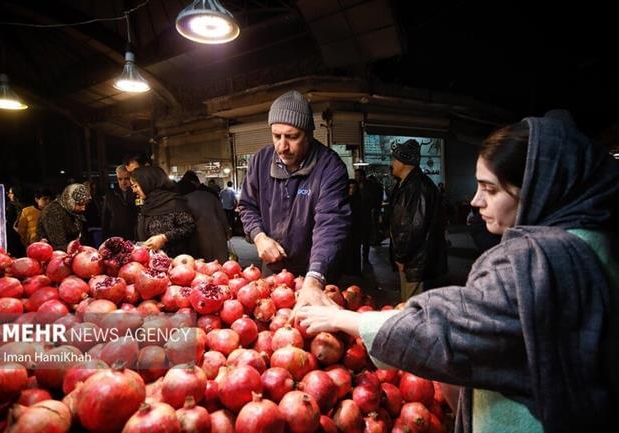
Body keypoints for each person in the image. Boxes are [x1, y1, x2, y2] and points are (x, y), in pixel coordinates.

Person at [297, 111, 619, 433]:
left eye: (490, 189)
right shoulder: (596, 239)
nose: (476, 201)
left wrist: (346, 320)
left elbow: (449, 331)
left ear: (538, 187)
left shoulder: (537, 261)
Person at [238, 89, 351, 306]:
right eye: (276, 136)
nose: (282, 146)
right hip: (273, 269)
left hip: (317, 270)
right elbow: (247, 205)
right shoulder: (260, 161)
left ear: (309, 133)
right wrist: (259, 236)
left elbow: (331, 223)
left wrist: (315, 278)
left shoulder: (330, 167)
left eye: (292, 137)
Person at [389, 139, 447, 299]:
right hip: (414, 260)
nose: (392, 163)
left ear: (404, 162)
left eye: (394, 159)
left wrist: (401, 257)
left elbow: (413, 227)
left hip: (416, 262)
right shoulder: (408, 184)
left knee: (412, 309)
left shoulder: (417, 187)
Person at [130, 166, 196, 257]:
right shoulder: (147, 204)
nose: (133, 190)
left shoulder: (173, 202)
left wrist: (164, 238)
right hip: (150, 261)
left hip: (175, 261)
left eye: (135, 186)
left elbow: (188, 227)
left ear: (148, 182)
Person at [37, 183, 91, 251]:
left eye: (85, 204)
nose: (83, 208)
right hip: (55, 256)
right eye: (79, 204)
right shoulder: (52, 212)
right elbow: (59, 244)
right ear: (69, 199)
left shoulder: (72, 211)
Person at [185, 188, 232, 263]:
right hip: (217, 234)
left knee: (202, 267)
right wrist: (227, 231)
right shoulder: (210, 196)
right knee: (221, 265)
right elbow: (222, 216)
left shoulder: (185, 199)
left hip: (198, 236)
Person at [101, 165, 137, 241]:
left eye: (126, 178)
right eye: (120, 179)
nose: (123, 182)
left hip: (134, 235)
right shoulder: (110, 194)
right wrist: (105, 239)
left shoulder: (137, 192)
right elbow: (106, 218)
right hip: (115, 236)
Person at [5, 185, 26, 257]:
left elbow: (9, 220)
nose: (9, 195)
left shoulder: (11, 205)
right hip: (21, 233)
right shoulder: (24, 205)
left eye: (11, 193)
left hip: (12, 233)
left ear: (15, 194)